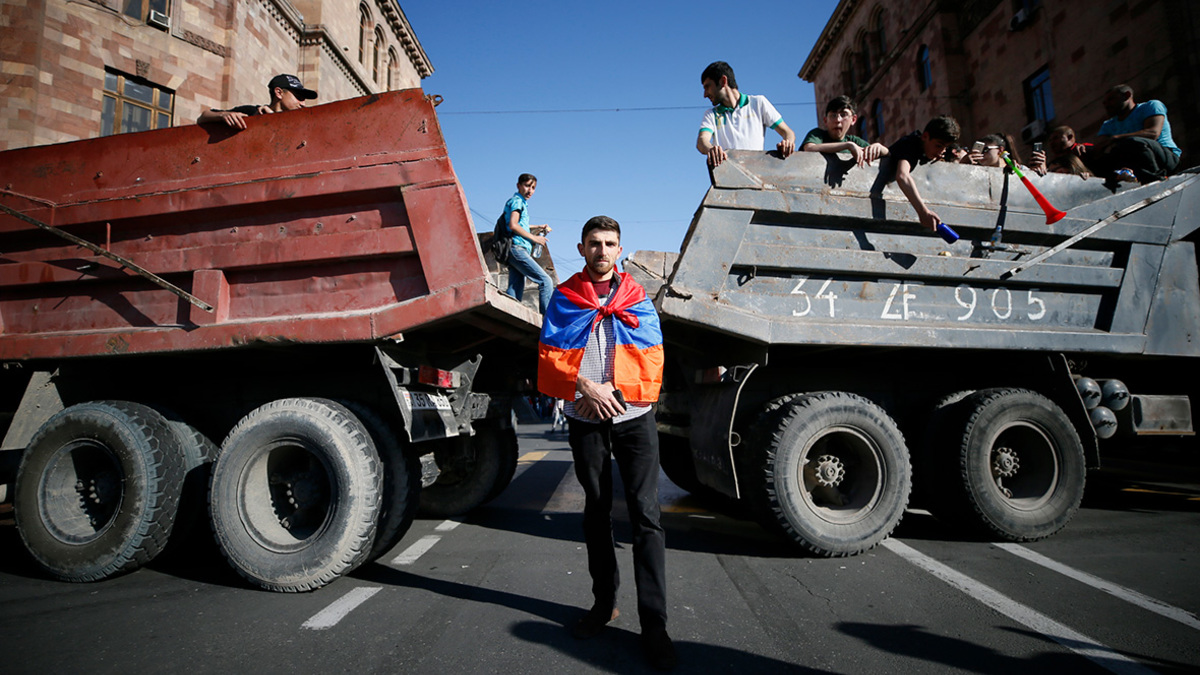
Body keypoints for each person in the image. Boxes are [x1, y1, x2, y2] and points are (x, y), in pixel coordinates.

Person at [537, 215, 673, 670]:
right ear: (581, 249)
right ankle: (603, 604)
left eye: (610, 243)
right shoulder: (565, 298)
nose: (602, 250)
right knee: (596, 509)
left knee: (646, 514)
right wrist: (585, 387)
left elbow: (652, 356)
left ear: (620, 250)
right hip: (586, 414)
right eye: (594, 243)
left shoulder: (637, 297)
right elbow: (550, 354)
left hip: (634, 417)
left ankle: (654, 623)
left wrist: (621, 393)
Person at [696, 61, 796, 168]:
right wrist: (711, 149)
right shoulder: (711, 114)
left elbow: (788, 132)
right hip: (726, 180)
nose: (705, 94)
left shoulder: (758, 103)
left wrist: (788, 142)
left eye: (707, 87)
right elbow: (702, 141)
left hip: (756, 177)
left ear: (723, 81)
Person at [1080, 84, 1182, 183]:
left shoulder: (1151, 106)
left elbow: (1153, 133)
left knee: (1132, 142)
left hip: (1164, 158)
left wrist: (1117, 138)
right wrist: (1081, 149)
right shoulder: (1108, 124)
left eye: (1111, 99)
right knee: (1093, 156)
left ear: (1127, 95)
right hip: (1131, 163)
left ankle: (1156, 178)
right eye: (1104, 103)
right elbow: (1100, 147)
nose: (1107, 105)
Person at [886, 115, 960, 232]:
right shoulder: (910, 145)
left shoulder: (925, 149)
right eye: (938, 146)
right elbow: (902, 176)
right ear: (925, 136)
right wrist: (923, 212)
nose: (941, 152)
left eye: (945, 148)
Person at [499, 173, 555, 313]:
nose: (530, 190)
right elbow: (513, 225)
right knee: (546, 281)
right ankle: (547, 322)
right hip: (517, 248)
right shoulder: (517, 201)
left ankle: (509, 317)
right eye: (527, 186)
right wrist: (535, 238)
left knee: (515, 288)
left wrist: (537, 227)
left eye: (533, 187)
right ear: (518, 186)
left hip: (515, 249)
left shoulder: (520, 202)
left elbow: (520, 224)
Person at [197, 74, 316, 130]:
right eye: (299, 97)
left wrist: (275, 120)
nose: (303, 104)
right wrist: (224, 115)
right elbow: (203, 117)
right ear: (279, 93)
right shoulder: (251, 112)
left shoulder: (300, 123)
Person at [801, 95, 889, 167]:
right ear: (825, 121)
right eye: (833, 115)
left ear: (853, 120)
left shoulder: (855, 141)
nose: (838, 120)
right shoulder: (818, 135)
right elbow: (810, 148)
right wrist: (847, 146)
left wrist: (880, 148)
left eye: (843, 115)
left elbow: (889, 156)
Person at [1029, 126, 1094, 178]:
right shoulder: (1052, 162)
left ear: (1069, 137)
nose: (1051, 143)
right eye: (1050, 140)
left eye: (1056, 138)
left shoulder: (1083, 150)